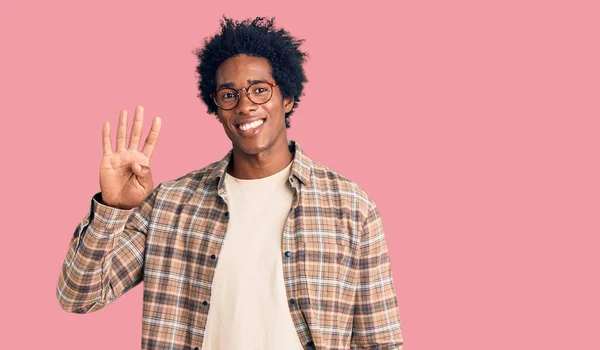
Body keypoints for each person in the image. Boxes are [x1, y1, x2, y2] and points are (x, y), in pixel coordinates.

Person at [56, 16, 404, 350]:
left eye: (260, 90)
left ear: (287, 97)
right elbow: (78, 295)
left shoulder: (350, 206)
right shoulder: (169, 204)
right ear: (217, 107)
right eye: (229, 94)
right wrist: (114, 209)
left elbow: (380, 340)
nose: (245, 105)